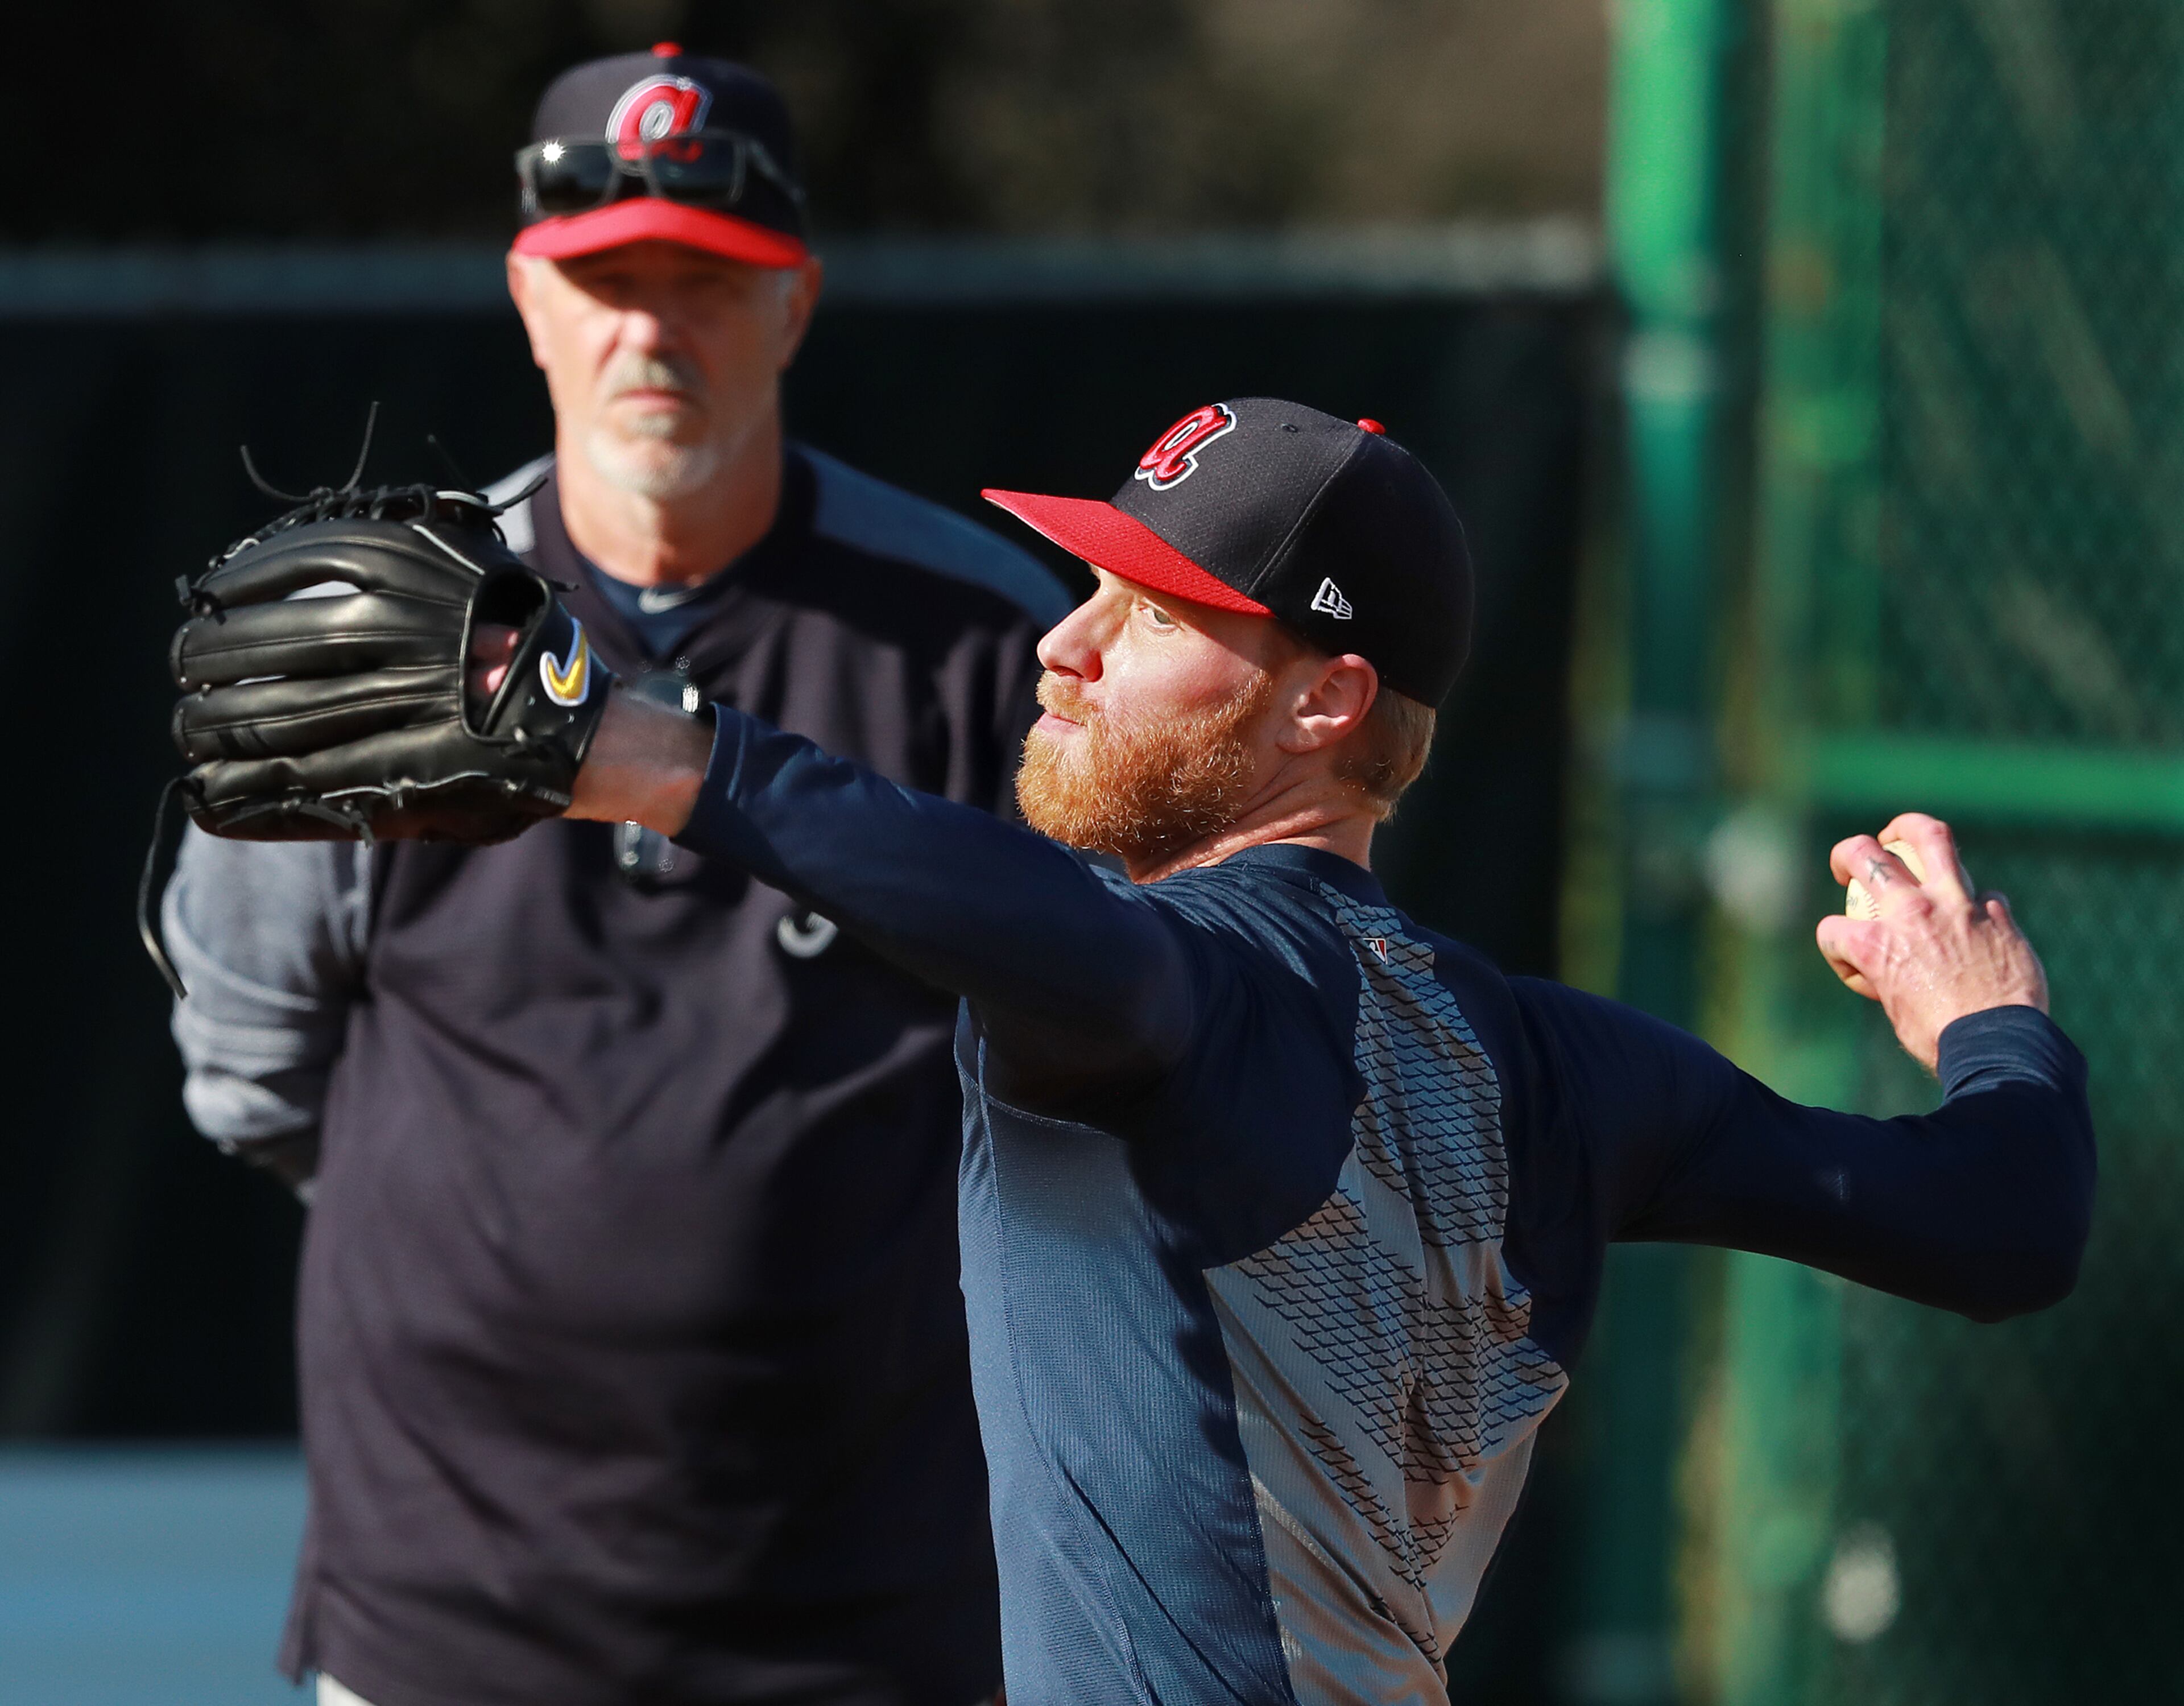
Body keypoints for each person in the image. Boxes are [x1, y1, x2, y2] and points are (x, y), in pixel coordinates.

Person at [512, 396, 2092, 1705]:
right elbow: (2002, 1222)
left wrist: (634, 741)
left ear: (1329, 700)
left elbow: (1048, 930)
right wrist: (1987, 1023)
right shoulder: (1562, 1070)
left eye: (1149, 614)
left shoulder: (1180, 987)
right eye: (1091, 591)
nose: (1067, 645)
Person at [163, 46, 1066, 1706]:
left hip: (873, 1620)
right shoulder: (372, 642)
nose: (654, 327)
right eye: (608, 279)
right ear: (531, 299)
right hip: (447, 1617)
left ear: (795, 304)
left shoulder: (989, 649)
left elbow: (1108, 1047)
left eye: (707, 280)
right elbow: (256, 1068)